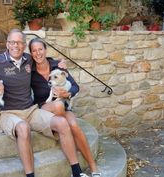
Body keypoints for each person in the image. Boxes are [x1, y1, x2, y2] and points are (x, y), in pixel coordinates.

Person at [0, 29, 89, 177]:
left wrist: (59, 63)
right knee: (23, 128)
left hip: (31, 110)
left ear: (24, 45)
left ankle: (76, 173)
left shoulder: (28, 59)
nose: (16, 46)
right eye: (12, 42)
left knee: (62, 123)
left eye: (20, 43)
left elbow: (43, 58)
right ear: (7, 44)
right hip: (9, 113)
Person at [29, 38, 101, 177]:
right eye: (34, 50)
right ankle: (62, 128)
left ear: (45, 50)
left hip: (62, 106)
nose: (38, 53)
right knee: (57, 104)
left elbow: (75, 86)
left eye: (40, 49)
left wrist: (68, 93)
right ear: (31, 53)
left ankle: (93, 167)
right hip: (44, 107)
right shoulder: (29, 71)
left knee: (73, 124)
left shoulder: (57, 65)